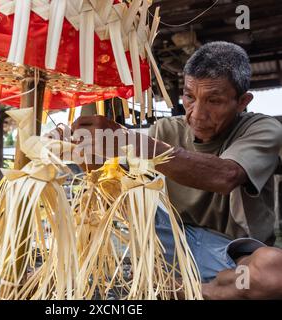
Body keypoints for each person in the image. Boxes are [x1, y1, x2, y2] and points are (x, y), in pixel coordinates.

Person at [62, 41, 282, 299]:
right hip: (172, 242)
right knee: (126, 194)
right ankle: (211, 289)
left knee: (272, 272)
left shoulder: (263, 129)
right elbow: (118, 193)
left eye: (214, 100)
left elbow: (225, 175)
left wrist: (129, 140)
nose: (197, 114)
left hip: (229, 255)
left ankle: (184, 289)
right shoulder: (165, 131)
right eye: (189, 96)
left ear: (242, 101)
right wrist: (82, 151)